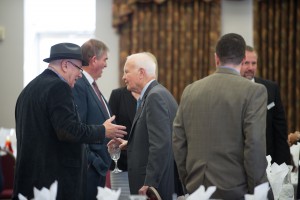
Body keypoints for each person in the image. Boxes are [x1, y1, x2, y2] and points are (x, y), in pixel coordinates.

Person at [13, 42, 126, 200]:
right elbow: (69, 130)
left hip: (30, 180)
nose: (80, 74)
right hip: (53, 182)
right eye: (79, 68)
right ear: (65, 65)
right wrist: (103, 130)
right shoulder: (59, 87)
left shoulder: (29, 89)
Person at [173, 33, 268, 199]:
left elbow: (178, 141)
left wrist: (188, 180)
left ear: (216, 58)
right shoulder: (254, 91)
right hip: (236, 190)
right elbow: (255, 145)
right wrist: (259, 192)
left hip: (196, 188)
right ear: (244, 58)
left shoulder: (190, 90)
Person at [109, 52, 178, 200]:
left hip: (153, 187)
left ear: (141, 73)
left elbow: (161, 144)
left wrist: (150, 183)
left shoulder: (154, 97)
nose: (123, 77)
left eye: (126, 71)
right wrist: (130, 144)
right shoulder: (156, 94)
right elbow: (153, 138)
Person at [72, 39, 112, 200]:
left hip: (99, 167)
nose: (106, 65)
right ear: (94, 60)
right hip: (89, 168)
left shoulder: (92, 86)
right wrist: (94, 162)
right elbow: (77, 128)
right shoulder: (79, 85)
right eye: (105, 60)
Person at [240, 45, 291, 165]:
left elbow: (280, 131)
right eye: (246, 63)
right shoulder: (230, 90)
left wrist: (284, 166)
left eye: (254, 63)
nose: (250, 68)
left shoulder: (271, 88)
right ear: (238, 64)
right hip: (239, 163)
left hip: (267, 161)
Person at [108, 86, 139, 199]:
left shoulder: (151, 95)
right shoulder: (118, 95)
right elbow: (110, 127)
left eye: (127, 72)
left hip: (145, 167)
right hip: (121, 164)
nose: (124, 77)